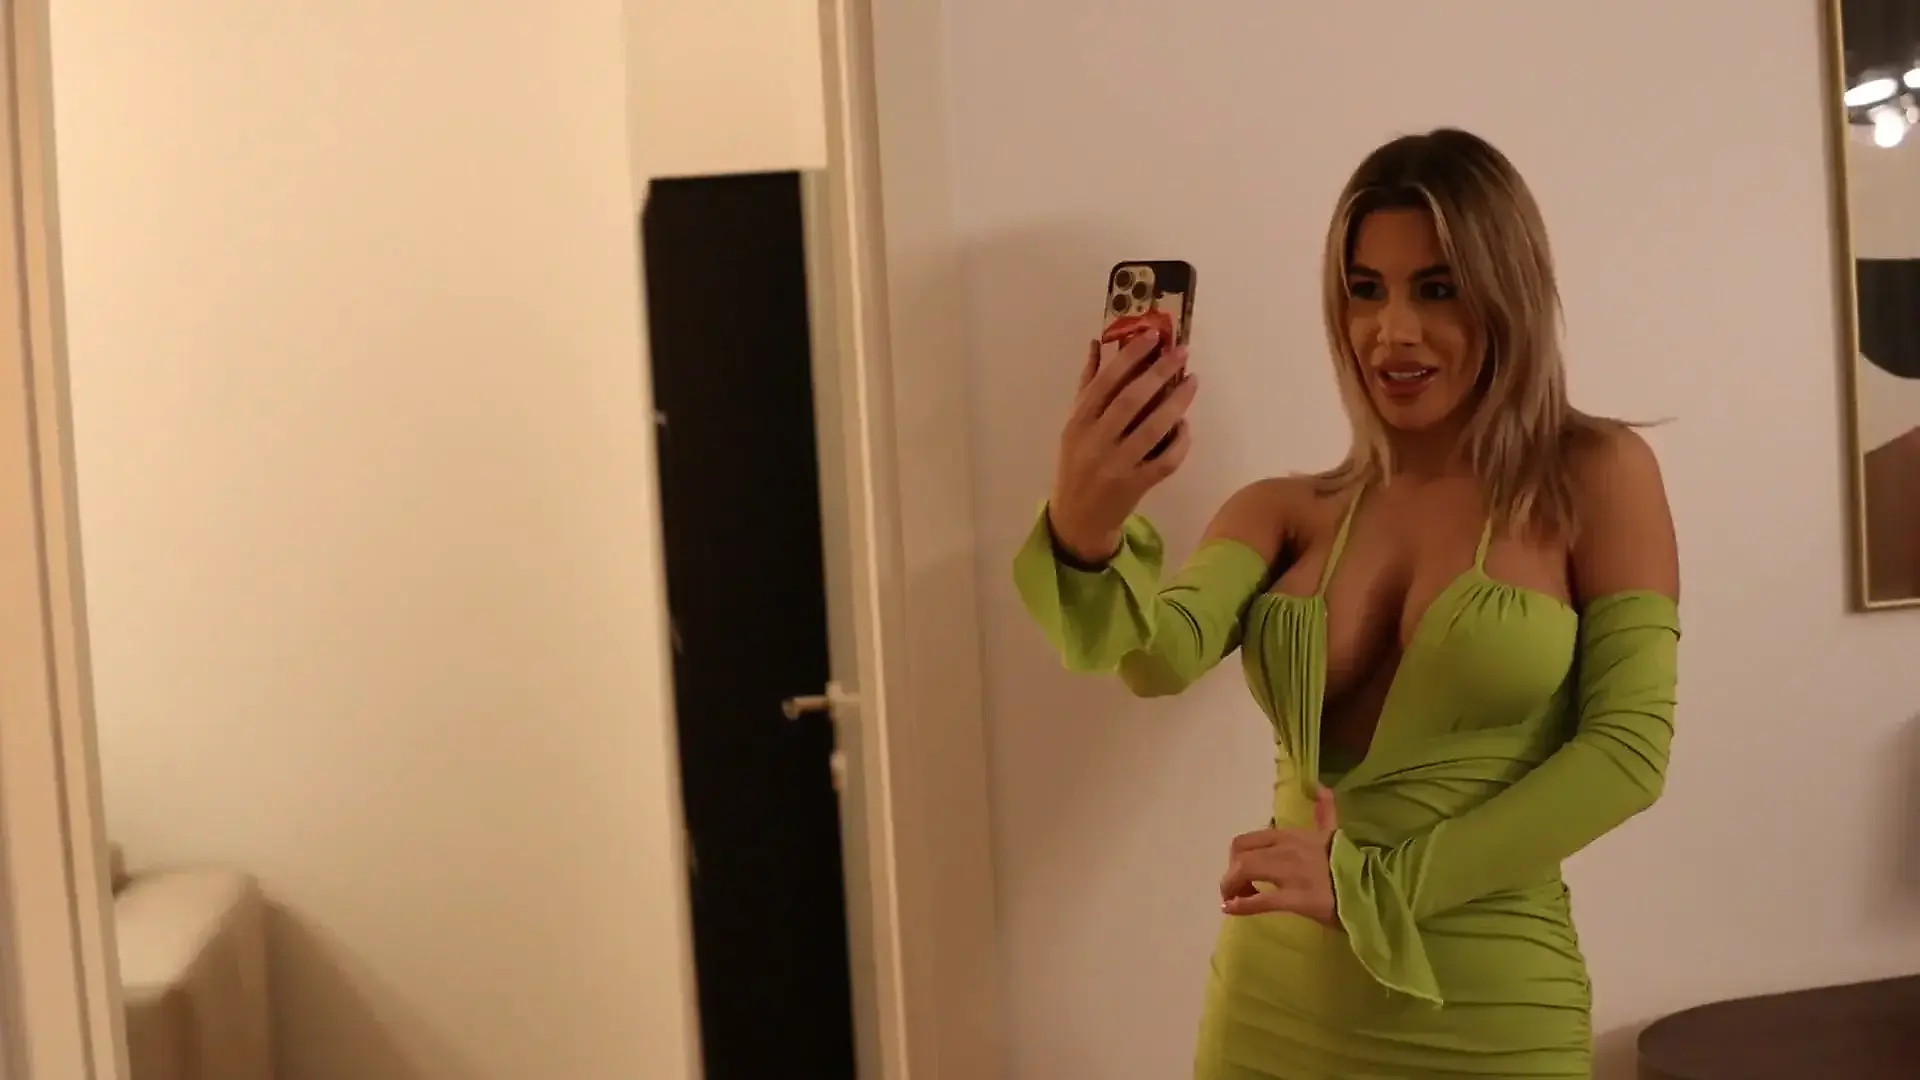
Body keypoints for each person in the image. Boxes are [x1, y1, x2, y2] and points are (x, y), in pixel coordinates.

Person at [1012, 128, 1680, 1079]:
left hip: (1489, 1014)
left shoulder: (1596, 475)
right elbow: (1155, 658)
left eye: (1436, 289)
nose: (1391, 331)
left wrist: (1370, 885)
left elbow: (1628, 753)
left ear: (1509, 294)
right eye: (1365, 290)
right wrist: (1089, 530)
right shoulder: (1284, 512)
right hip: (1273, 1012)